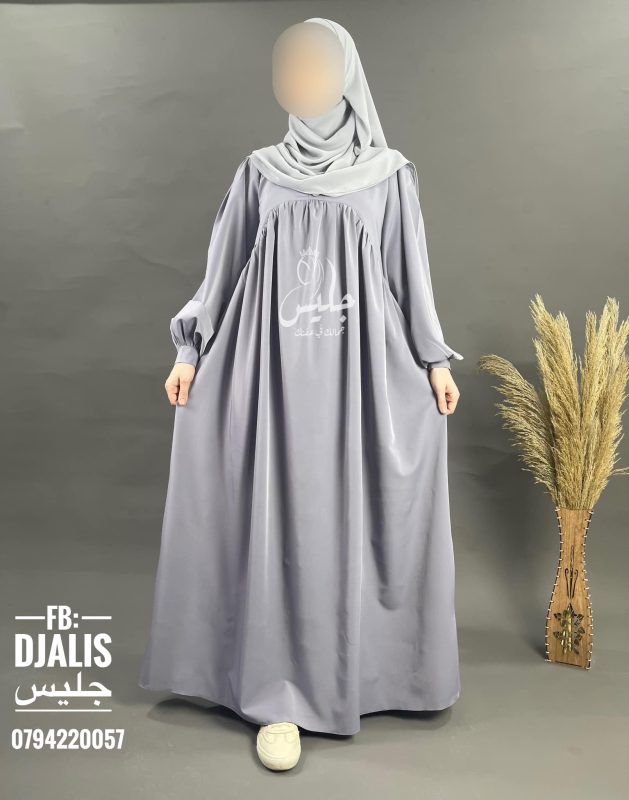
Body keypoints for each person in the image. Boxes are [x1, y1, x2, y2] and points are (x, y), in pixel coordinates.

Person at [139, 17, 463, 772]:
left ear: (345, 75)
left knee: (345, 514)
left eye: (319, 67)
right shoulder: (259, 172)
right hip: (267, 377)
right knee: (272, 517)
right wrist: (189, 350)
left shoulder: (387, 174)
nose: (304, 81)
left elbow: (407, 275)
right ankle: (276, 690)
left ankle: (360, 673)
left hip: (357, 380)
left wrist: (433, 362)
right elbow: (222, 270)